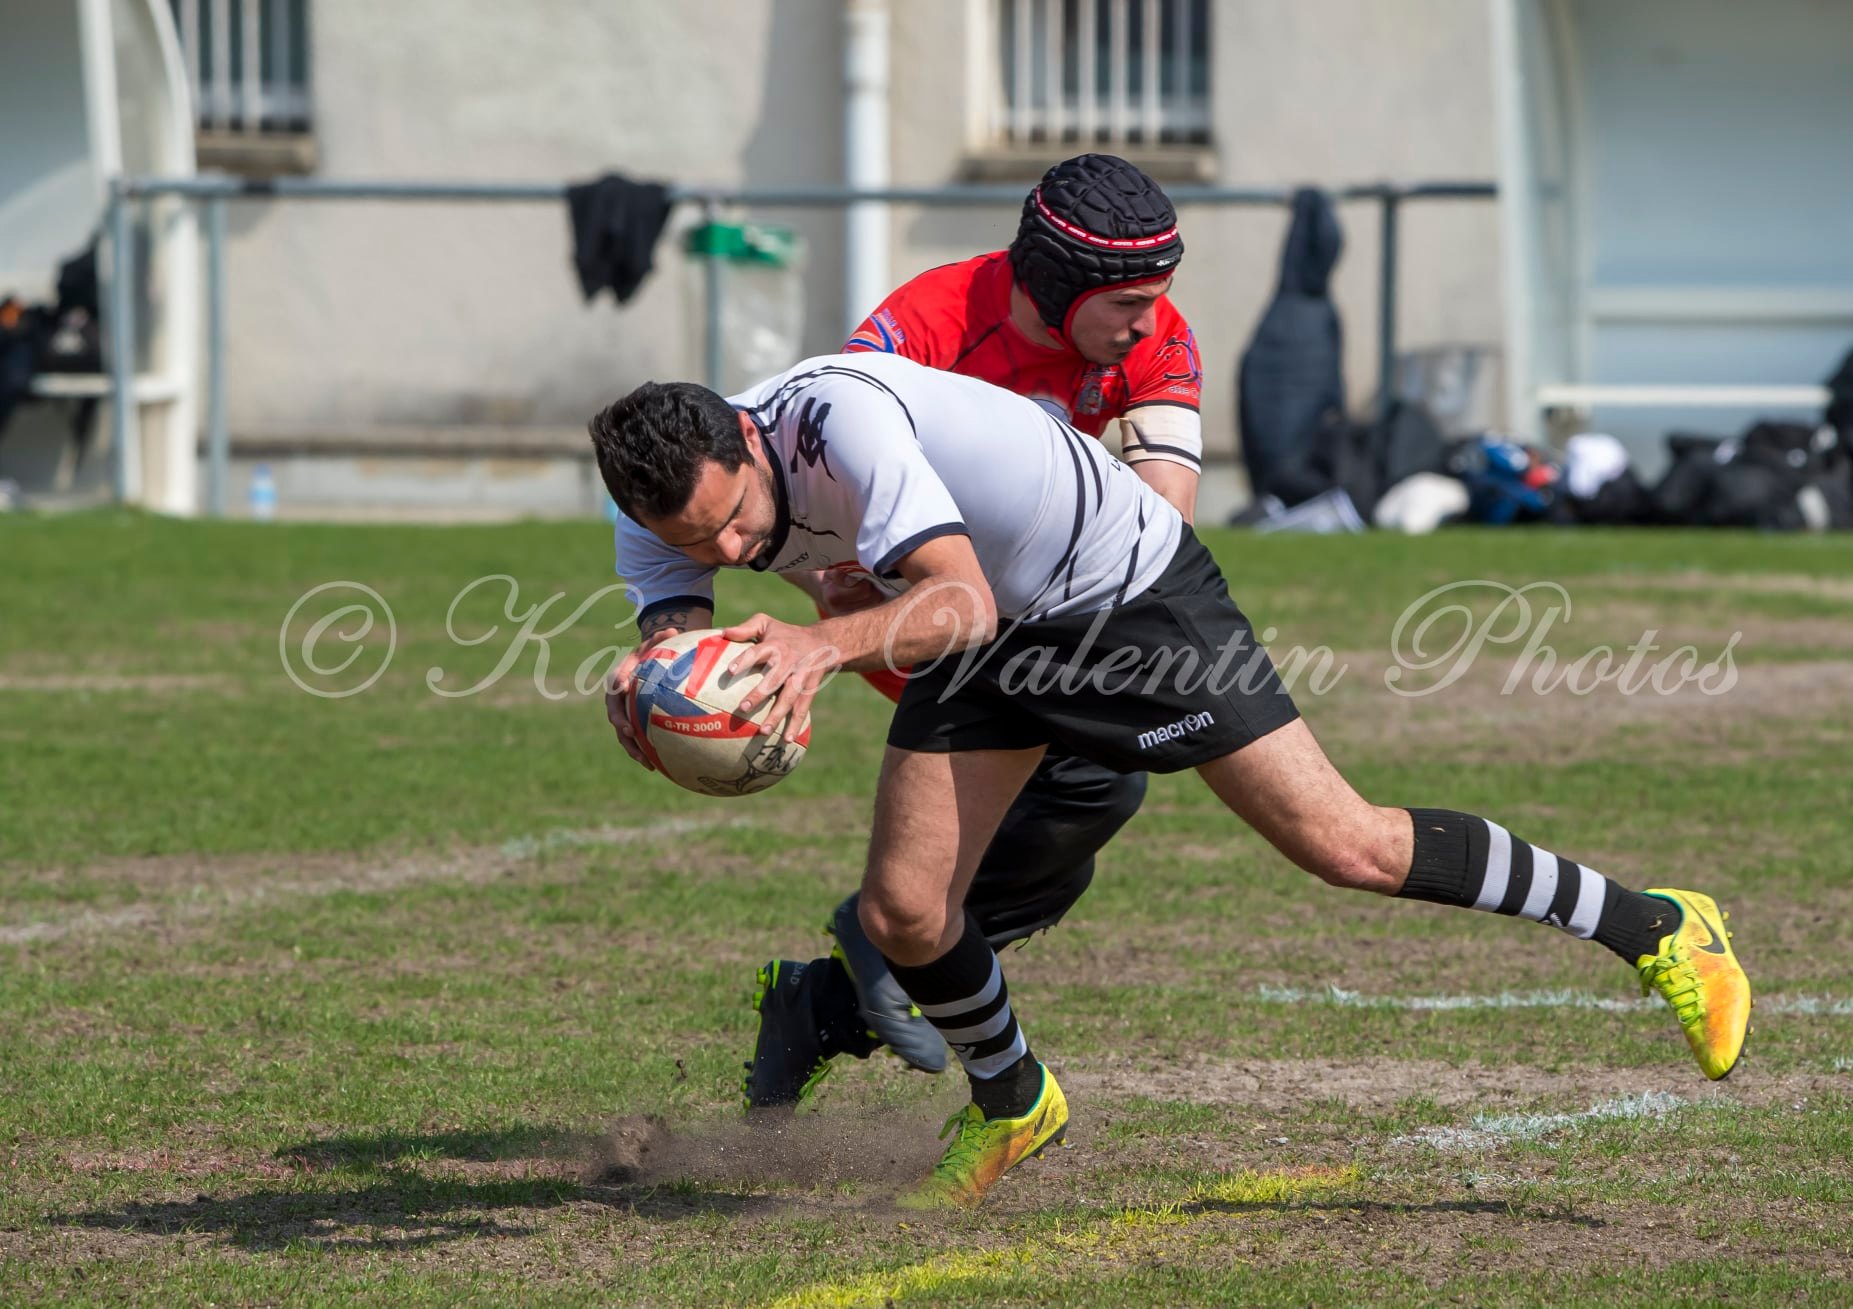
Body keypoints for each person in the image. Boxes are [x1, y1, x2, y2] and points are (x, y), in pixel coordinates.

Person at [586, 351, 1754, 1208]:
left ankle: (1657, 925)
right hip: (992, 626)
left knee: (1344, 843)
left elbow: (959, 600)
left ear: (747, 436)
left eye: (737, 522)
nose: (731, 553)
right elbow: (675, 631)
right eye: (700, 542)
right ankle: (1014, 1101)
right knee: (902, 908)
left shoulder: (839, 425)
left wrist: (815, 645)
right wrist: (650, 689)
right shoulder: (666, 512)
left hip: (1120, 595)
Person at [606, 155, 1207, 1108]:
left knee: (1075, 821)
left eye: (1154, 297)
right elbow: (825, 480)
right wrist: (663, 682)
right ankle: (879, 965)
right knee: (1066, 803)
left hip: (1048, 598)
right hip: (917, 609)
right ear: (1064, 284)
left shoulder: (1147, 331)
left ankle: (829, 994)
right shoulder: (923, 325)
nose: (1146, 317)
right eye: (1127, 296)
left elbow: (1164, 520)